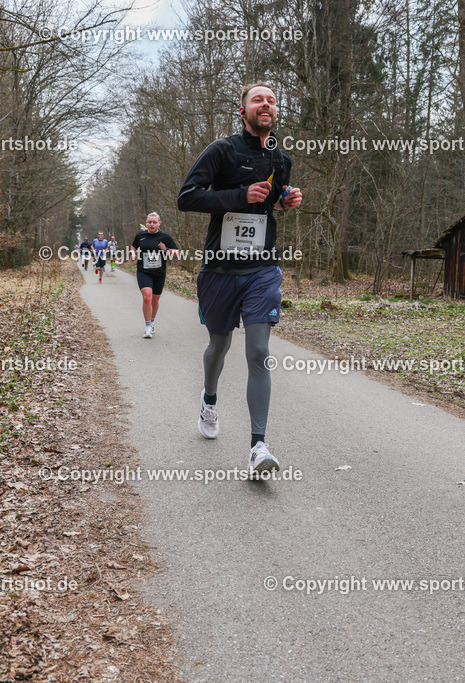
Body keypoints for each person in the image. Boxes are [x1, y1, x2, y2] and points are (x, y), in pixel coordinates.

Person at [177, 83, 302, 474]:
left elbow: (273, 199)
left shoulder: (281, 158)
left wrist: (285, 200)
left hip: (262, 269)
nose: (266, 105)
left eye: (272, 100)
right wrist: (238, 196)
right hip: (219, 268)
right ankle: (209, 399)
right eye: (258, 99)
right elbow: (187, 197)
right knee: (219, 346)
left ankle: (258, 447)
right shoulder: (222, 150)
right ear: (243, 109)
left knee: (258, 353)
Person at [130, 213, 179, 338]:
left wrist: (166, 250)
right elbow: (133, 246)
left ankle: (152, 322)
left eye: (154, 222)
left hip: (159, 273)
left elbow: (177, 253)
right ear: (146, 223)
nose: (152, 224)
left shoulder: (165, 237)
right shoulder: (140, 235)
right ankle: (147, 327)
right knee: (147, 297)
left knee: (155, 300)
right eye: (150, 222)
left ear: (159, 223)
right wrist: (133, 253)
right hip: (144, 271)